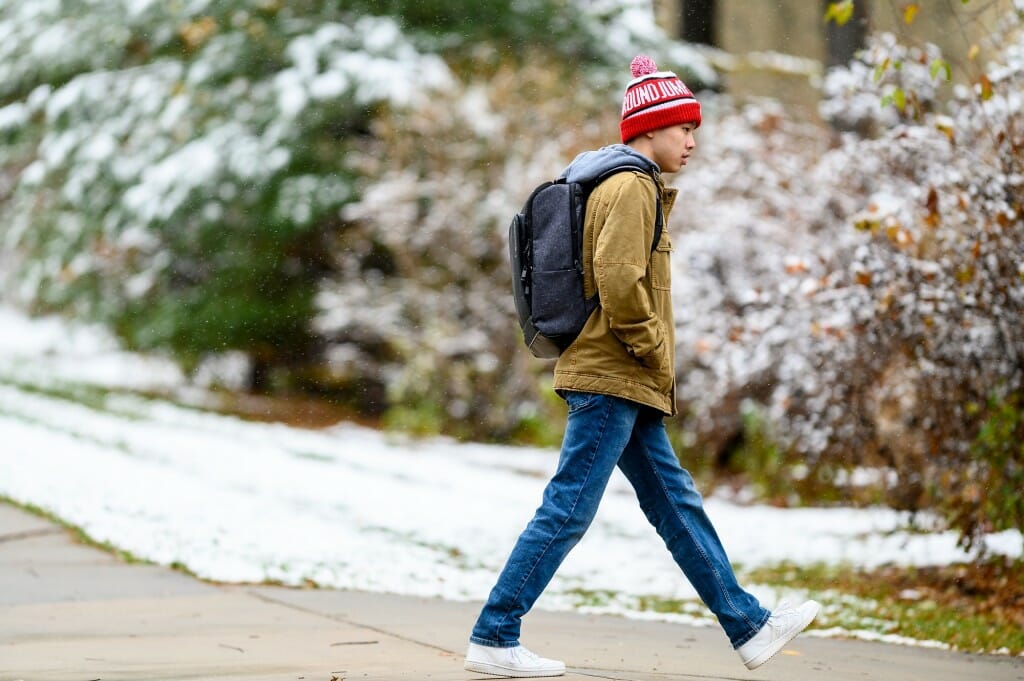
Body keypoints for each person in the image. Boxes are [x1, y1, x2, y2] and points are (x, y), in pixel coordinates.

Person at [464, 55, 820, 678]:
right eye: (684, 127)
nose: (691, 140)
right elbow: (620, 281)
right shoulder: (631, 185)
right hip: (614, 372)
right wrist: (654, 347)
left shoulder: (620, 181)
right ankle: (495, 632)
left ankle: (748, 625)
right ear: (649, 128)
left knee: (675, 503)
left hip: (620, 374)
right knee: (570, 506)